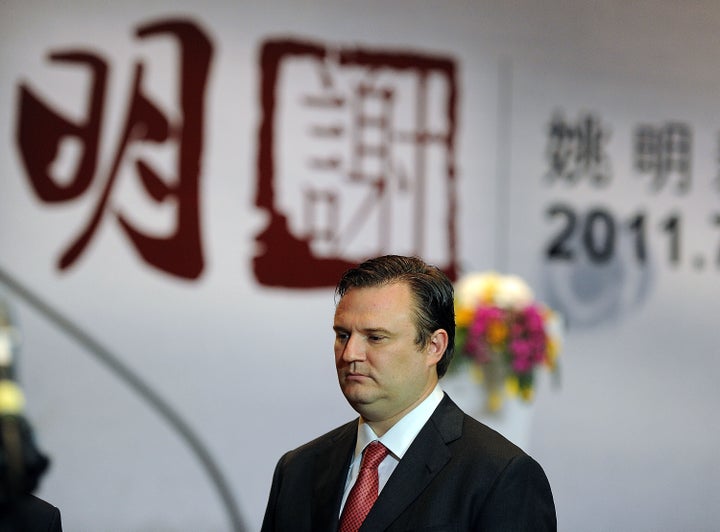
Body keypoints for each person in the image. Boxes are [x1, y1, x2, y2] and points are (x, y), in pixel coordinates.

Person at [261, 255, 556, 531]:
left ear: (433, 347)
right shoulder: (297, 470)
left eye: (375, 337)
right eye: (342, 335)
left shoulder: (500, 476)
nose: (350, 353)